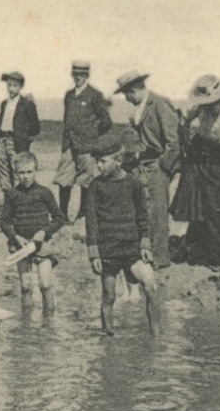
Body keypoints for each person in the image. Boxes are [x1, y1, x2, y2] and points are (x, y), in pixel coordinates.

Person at [84, 129, 162, 336]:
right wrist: (94, 253)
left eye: (103, 161)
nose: (98, 166)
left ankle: (156, 336)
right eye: (97, 162)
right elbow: (91, 221)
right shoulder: (95, 186)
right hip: (107, 249)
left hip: (132, 248)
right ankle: (108, 337)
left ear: (118, 160)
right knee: (109, 295)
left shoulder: (133, 183)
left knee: (150, 285)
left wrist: (145, 243)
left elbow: (142, 215)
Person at [172, 74, 220, 269]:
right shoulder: (198, 109)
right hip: (205, 159)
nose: (209, 106)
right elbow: (183, 123)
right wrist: (186, 146)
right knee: (203, 205)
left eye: (212, 102)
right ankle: (201, 249)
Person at [114, 69, 178, 270]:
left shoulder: (159, 104)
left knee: (158, 213)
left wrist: (164, 166)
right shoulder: (139, 109)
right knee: (144, 210)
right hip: (142, 165)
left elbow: (173, 140)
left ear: (134, 90)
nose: (126, 99)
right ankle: (146, 252)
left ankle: (160, 259)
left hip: (157, 165)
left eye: (127, 94)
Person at [0, 152, 68, 313]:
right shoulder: (12, 194)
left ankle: (48, 322)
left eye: (29, 172)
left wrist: (44, 232)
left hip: (42, 245)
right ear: (16, 173)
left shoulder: (44, 192)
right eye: (21, 173)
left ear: (37, 170)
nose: (25, 177)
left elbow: (59, 218)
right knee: (25, 286)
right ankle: (26, 326)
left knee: (45, 284)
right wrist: (15, 236)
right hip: (21, 245)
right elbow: (4, 222)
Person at [58, 60, 113, 220]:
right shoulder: (69, 95)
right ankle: (62, 215)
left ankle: (83, 213)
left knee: (86, 180)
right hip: (69, 144)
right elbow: (66, 119)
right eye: (75, 74)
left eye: (82, 75)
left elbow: (106, 121)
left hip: (87, 146)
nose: (78, 78)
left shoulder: (94, 95)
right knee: (64, 178)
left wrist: (92, 136)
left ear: (87, 76)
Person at [0, 70, 41, 192]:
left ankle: (19, 201)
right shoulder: (4, 103)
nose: (11, 88)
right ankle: (8, 200)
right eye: (9, 85)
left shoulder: (26, 104)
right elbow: (0, 122)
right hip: (2, 139)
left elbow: (35, 127)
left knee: (17, 169)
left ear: (20, 87)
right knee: (2, 168)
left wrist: (24, 138)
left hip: (16, 141)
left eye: (15, 85)